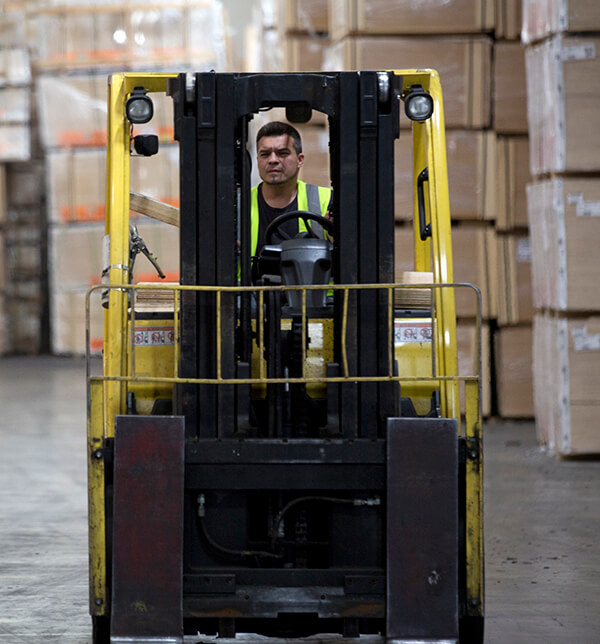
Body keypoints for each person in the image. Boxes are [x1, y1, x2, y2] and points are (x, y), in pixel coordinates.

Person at [251, 121, 332, 256]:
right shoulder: (237, 206)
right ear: (257, 160)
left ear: (300, 160)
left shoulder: (328, 201)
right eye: (265, 154)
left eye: (282, 153)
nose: (273, 160)